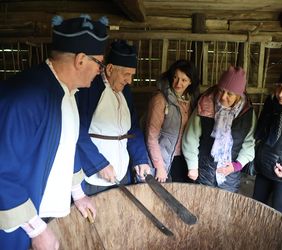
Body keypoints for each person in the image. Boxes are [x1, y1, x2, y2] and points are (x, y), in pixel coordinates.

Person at [0, 14, 108, 250]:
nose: (100, 71)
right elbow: (2, 171)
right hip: (15, 224)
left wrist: (78, 194)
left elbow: (66, 149)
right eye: (99, 63)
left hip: (40, 212)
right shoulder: (26, 97)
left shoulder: (67, 93)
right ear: (81, 60)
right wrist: (37, 229)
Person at [76, 40, 150, 195]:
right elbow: (77, 132)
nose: (129, 80)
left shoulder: (125, 91)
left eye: (131, 75)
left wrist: (140, 158)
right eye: (126, 74)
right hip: (94, 172)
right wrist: (99, 164)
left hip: (122, 170)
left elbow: (133, 127)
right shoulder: (89, 89)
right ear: (110, 69)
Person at [182, 66, 255, 193]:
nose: (222, 97)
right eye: (221, 91)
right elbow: (191, 137)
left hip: (230, 174)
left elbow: (249, 143)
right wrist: (192, 166)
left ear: (238, 95)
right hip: (204, 169)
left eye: (230, 94)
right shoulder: (205, 105)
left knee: (225, 209)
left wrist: (237, 165)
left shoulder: (247, 113)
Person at [253, 66, 282, 216]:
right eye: (279, 87)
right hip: (264, 170)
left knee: (279, 219)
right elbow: (260, 134)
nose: (280, 94)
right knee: (255, 213)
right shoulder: (271, 105)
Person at [144, 59, 199, 182]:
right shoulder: (160, 100)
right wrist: (159, 167)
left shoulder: (191, 101)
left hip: (183, 158)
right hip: (164, 157)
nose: (178, 83)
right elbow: (151, 137)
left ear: (191, 82)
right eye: (175, 78)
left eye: (184, 80)